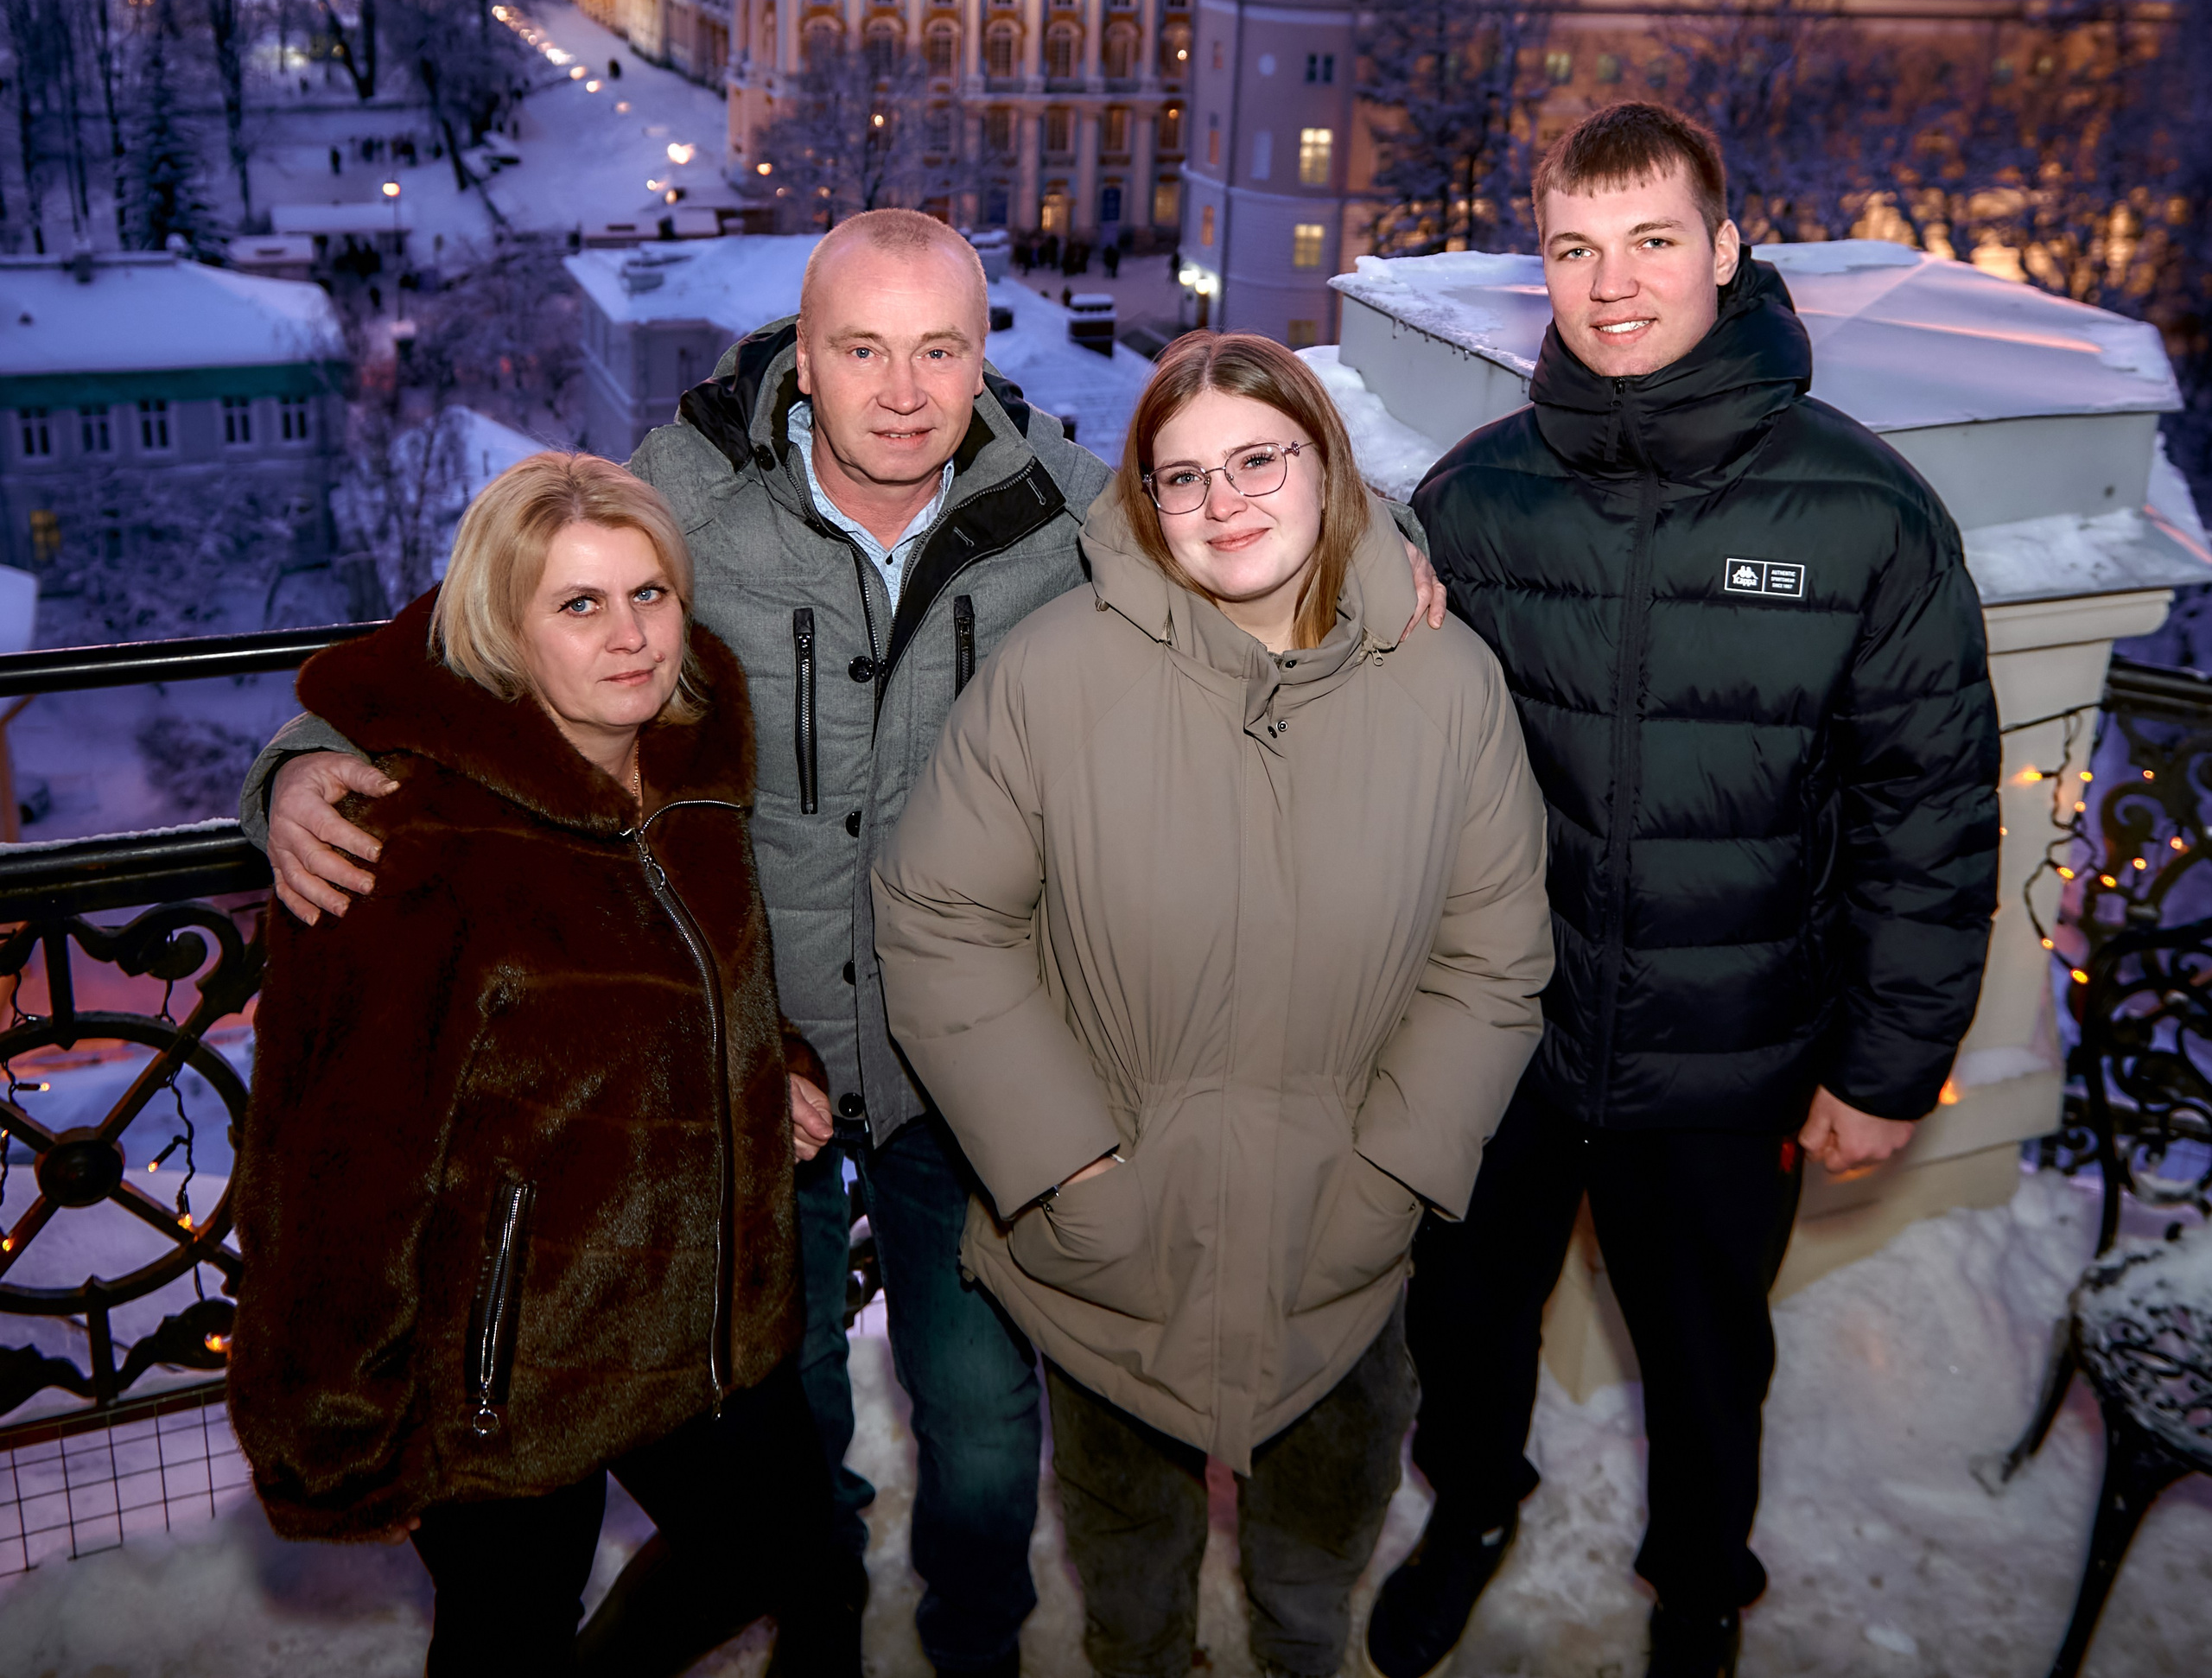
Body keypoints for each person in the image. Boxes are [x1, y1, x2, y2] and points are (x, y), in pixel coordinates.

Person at [242, 209, 1452, 1678]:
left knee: (985, 1426)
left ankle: (972, 1651)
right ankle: (820, 1647)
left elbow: (1252, 530)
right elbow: (478, 631)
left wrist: (1388, 557)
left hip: (972, 1064)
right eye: (862, 349)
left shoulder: (1059, 505)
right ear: (801, 359)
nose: (902, 391)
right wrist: (302, 759)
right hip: (761, 1068)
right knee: (788, 1417)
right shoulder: (690, 491)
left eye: (939, 350)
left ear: (983, 358)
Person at [1367, 104, 2001, 1678]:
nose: (1613, 285)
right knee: (1465, 1321)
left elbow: (1928, 812)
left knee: (1712, 1361)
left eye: (1652, 241)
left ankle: (1703, 1589)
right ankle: (1473, 1510)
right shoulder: (1478, 499)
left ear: (1723, 249)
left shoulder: (1864, 512)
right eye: (1575, 248)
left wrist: (1888, 1065)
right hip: (1505, 1043)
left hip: (1733, 1055)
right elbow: (1391, 763)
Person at [874, 333, 1555, 1678]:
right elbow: (942, 919)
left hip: (1342, 1253)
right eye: (1181, 477)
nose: (1223, 501)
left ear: (1328, 468)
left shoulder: (1448, 685)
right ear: (1144, 501)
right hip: (1109, 1256)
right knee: (1130, 1587)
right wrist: (1066, 1168)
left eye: (1259, 460)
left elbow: (1493, 954)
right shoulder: (1055, 676)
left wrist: (1395, 1171)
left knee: (1315, 1575)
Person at [229, 453, 843, 1675]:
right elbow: (335, 1163)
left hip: (703, 1319)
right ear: (504, 631)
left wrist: (765, 1063)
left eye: (650, 594)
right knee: (509, 1635)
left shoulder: (691, 762)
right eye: (579, 604)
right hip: (501, 1371)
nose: (631, 636)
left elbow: (702, 972)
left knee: (774, 1545)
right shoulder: (413, 841)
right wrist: (338, 1436)